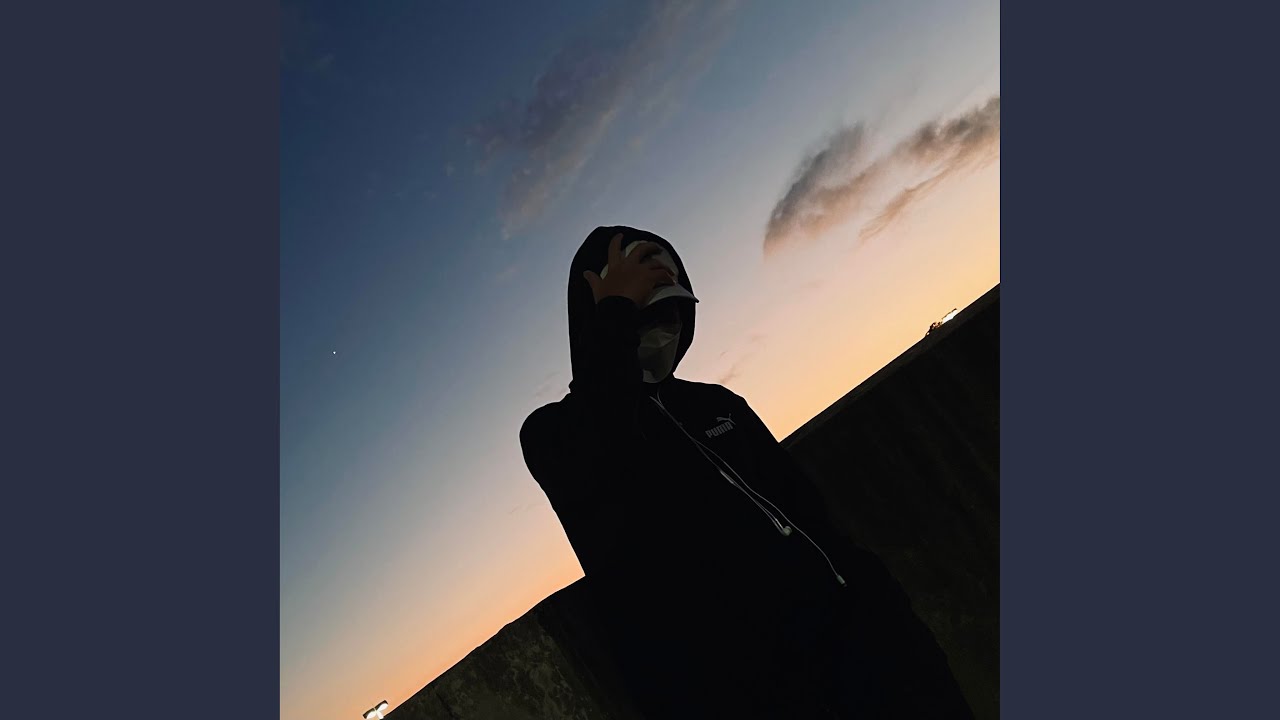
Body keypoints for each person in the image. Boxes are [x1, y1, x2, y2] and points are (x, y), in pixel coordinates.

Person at [520, 226, 975, 719]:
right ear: (600, 320)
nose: (666, 327)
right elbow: (611, 461)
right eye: (644, 314)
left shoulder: (717, 403)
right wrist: (614, 315)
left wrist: (881, 604)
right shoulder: (552, 434)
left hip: (877, 655)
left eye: (674, 310)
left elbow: (807, 510)